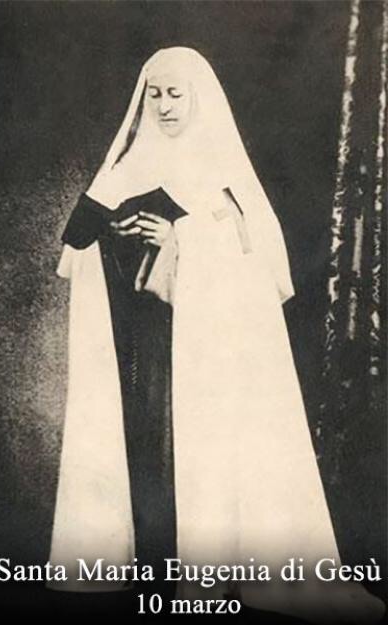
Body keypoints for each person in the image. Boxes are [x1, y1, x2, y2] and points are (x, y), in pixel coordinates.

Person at [49, 47, 385, 623]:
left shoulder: (219, 164)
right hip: (136, 341)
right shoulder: (124, 165)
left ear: (199, 98)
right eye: (154, 93)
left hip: (202, 348)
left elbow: (257, 264)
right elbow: (78, 251)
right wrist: (113, 235)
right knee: (141, 458)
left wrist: (180, 241)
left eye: (175, 94)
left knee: (198, 462)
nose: (164, 105)